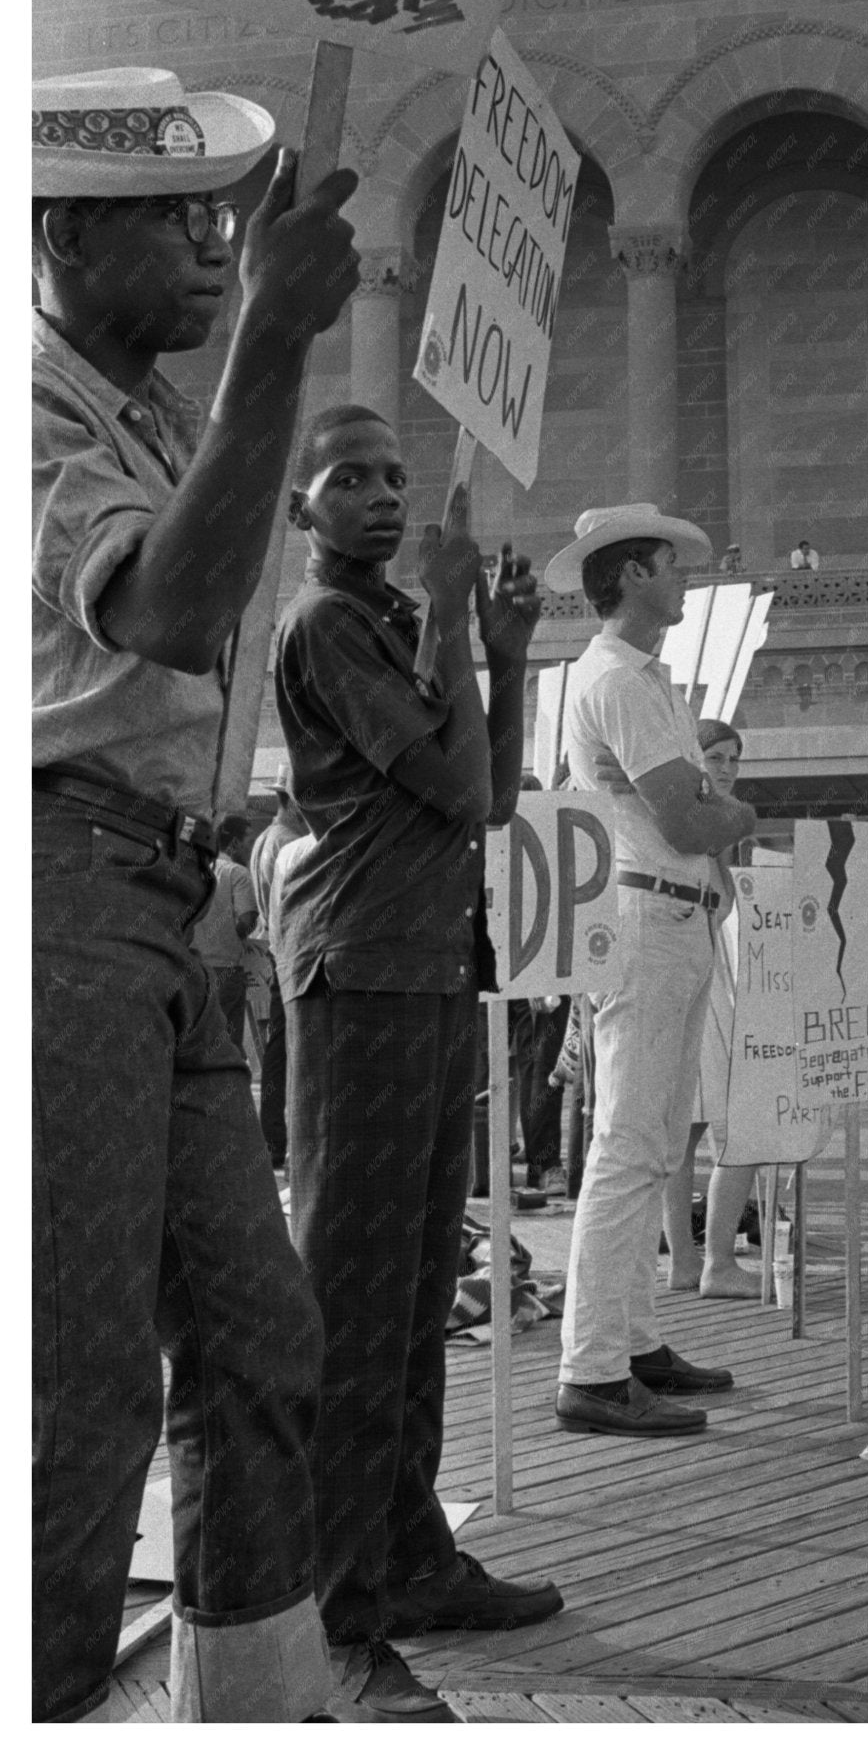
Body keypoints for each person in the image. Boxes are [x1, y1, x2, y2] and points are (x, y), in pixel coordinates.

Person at [32, 65, 359, 1722]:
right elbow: (162, 612)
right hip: (65, 888)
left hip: (161, 889)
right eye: (175, 217)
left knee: (255, 1329)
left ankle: (252, 1693)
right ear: (65, 236)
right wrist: (281, 344)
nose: (216, 243)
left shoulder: (145, 412)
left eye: (223, 214)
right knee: (80, 1373)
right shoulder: (33, 410)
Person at [273, 407, 561, 1721]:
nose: (383, 497)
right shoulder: (328, 624)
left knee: (414, 1282)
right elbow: (448, 790)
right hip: (363, 972)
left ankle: (410, 1558)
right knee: (352, 1297)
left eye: (393, 476)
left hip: (431, 968)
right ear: (303, 509)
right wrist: (453, 616)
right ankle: (340, 1612)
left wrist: (504, 658)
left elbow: (493, 793)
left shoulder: (393, 620)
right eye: (350, 480)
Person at [544, 504, 758, 1439]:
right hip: (651, 910)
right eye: (670, 565)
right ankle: (593, 1366)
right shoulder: (622, 684)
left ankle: (629, 1343)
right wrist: (737, 812)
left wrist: (714, 806)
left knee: (654, 1138)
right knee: (631, 1143)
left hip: (667, 912)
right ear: (631, 575)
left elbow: (689, 803)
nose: (683, 580)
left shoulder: (638, 681)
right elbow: (691, 817)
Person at [661, 720, 761, 1302]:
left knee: (686, 1130)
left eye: (733, 759)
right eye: (715, 757)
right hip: (705, 986)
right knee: (736, 1130)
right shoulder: (695, 826)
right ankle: (714, 1261)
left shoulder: (711, 831)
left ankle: (686, 1260)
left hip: (702, 981)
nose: (726, 768)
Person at [248, 765, 309, 1168]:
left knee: (279, 1052)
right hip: (288, 952)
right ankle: (277, 1140)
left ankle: (274, 1139)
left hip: (277, 950)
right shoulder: (287, 841)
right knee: (287, 1054)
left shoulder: (267, 839)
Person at [189, 814, 257, 1051]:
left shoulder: (191, 870)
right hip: (226, 969)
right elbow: (247, 919)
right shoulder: (237, 873)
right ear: (236, 843)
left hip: (192, 968)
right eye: (249, 843)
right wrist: (230, 935)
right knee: (228, 1048)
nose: (251, 850)